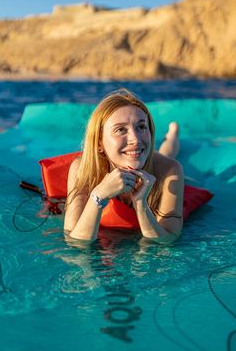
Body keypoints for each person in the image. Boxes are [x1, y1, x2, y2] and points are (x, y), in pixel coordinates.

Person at [64, 88, 184, 244]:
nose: (135, 139)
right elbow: (75, 242)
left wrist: (141, 204)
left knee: (166, 154)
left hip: (157, 162)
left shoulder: (170, 171)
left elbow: (168, 239)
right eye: (120, 130)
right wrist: (99, 195)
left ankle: (173, 135)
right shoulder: (82, 170)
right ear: (99, 143)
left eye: (141, 127)